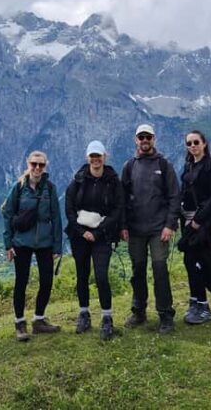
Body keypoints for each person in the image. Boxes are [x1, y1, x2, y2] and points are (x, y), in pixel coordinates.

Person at [120, 124, 181, 334]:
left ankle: (165, 315)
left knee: (159, 269)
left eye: (148, 137)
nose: (144, 140)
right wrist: (124, 226)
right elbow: (122, 199)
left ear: (154, 139)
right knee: (137, 271)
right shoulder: (129, 166)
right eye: (141, 137)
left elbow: (174, 196)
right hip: (135, 229)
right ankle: (139, 311)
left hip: (158, 229)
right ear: (136, 140)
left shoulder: (163, 165)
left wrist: (169, 225)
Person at [64, 140, 124, 341]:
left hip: (103, 236)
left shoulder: (113, 181)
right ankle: (84, 314)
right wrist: (82, 231)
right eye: (92, 156)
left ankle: (107, 318)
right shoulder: (78, 180)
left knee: (101, 276)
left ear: (104, 157)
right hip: (79, 236)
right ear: (87, 157)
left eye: (99, 156)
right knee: (82, 275)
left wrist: (97, 233)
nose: (96, 159)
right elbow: (69, 208)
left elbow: (117, 210)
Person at [2, 150, 63, 341]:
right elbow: (7, 213)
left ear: (45, 167)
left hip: (45, 242)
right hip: (22, 242)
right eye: (34, 164)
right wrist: (8, 243)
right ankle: (20, 323)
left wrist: (57, 246)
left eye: (41, 165)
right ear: (27, 165)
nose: (37, 168)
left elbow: (56, 217)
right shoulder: (18, 187)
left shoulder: (50, 189)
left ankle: (38, 320)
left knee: (47, 281)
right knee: (21, 281)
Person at [178, 130, 211, 325]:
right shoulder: (189, 165)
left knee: (199, 261)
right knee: (190, 262)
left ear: (204, 143)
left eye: (196, 142)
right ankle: (196, 301)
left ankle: (203, 306)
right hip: (188, 220)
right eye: (189, 143)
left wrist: (198, 220)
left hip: (203, 222)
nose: (193, 146)